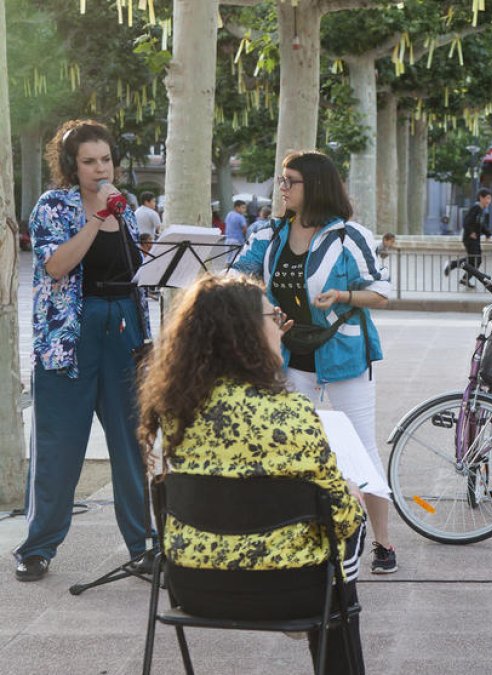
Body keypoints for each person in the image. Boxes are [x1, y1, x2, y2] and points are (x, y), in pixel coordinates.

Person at [138, 275, 366, 674]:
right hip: (290, 589)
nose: (281, 326)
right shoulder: (292, 414)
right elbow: (342, 519)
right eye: (273, 316)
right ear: (244, 332)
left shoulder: (174, 414)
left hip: (192, 585)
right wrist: (353, 495)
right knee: (346, 529)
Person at [232, 150, 397, 575]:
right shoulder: (268, 233)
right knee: (291, 444)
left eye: (290, 181)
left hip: (342, 352)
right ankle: (299, 536)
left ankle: (384, 543)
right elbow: (237, 278)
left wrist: (342, 296)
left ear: (315, 186)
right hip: (289, 355)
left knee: (361, 448)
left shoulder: (349, 236)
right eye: (281, 181)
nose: (281, 188)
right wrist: (264, 305)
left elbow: (382, 291)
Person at [16, 119, 151, 582]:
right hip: (68, 339)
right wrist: (96, 218)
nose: (100, 169)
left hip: (123, 333)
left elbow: (133, 270)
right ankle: (38, 547)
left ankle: (143, 546)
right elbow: (56, 266)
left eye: (106, 160)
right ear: (72, 166)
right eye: (89, 162)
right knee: (58, 446)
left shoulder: (126, 208)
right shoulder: (54, 205)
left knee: (132, 443)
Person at [460, 188, 492, 288]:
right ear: (481, 198)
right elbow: (466, 221)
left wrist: (487, 233)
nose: (488, 201)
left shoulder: (481, 210)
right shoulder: (476, 208)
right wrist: (471, 232)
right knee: (475, 260)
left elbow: (480, 225)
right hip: (470, 239)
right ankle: (456, 268)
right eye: (487, 198)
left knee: (475, 260)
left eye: (490, 199)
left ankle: (465, 278)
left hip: (475, 239)